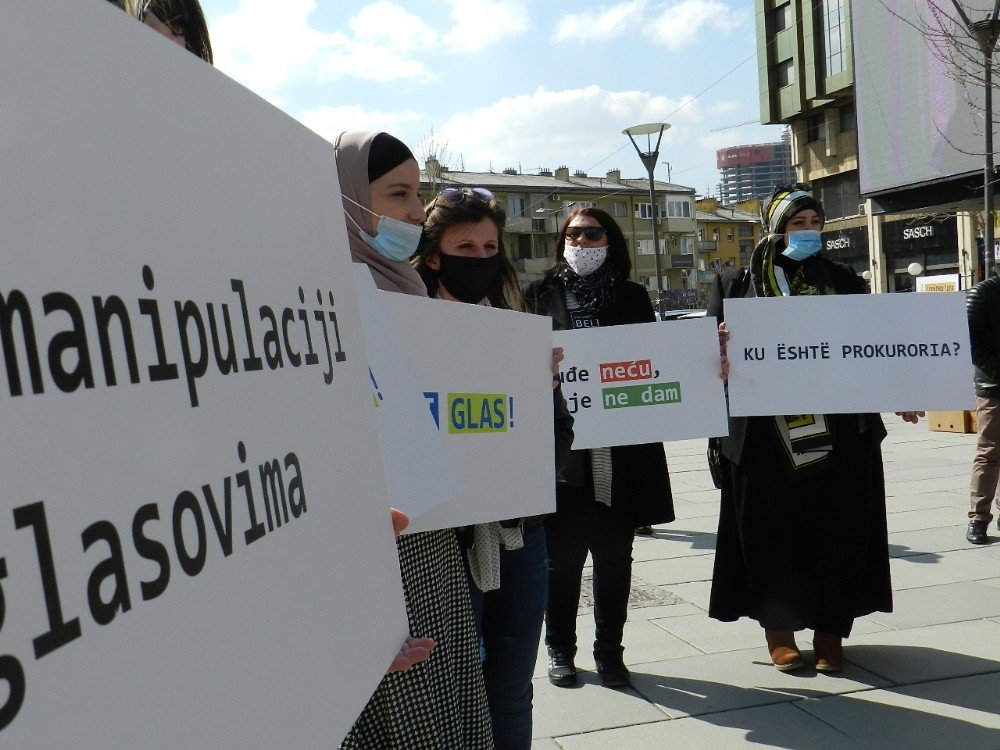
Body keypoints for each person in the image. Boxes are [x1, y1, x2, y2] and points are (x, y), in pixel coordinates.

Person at [707, 183, 921, 673]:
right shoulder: (737, 284)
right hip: (763, 436)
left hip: (842, 431)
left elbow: (875, 345)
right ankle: (778, 631)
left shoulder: (844, 278)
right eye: (795, 224)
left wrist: (907, 386)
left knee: (840, 531)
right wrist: (716, 351)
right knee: (769, 532)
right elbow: (702, 355)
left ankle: (830, 632)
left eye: (813, 223)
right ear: (774, 229)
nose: (806, 233)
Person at [334, 131, 493, 748]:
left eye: (417, 195)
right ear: (346, 199)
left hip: (432, 542)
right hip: (377, 548)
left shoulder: (407, 289)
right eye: (397, 194)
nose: (413, 213)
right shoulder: (325, 298)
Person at [413, 187, 573, 750]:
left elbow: (560, 431)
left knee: (510, 689)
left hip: (519, 535)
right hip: (440, 542)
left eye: (489, 248)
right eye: (465, 247)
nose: (480, 259)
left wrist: (541, 396)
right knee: (449, 692)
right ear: (433, 256)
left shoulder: (516, 331)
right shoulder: (402, 330)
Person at [523, 207, 674, 689]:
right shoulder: (536, 295)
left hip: (620, 454)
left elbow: (656, 361)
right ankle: (559, 651)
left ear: (610, 239)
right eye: (573, 233)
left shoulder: (631, 296)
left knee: (615, 559)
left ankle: (610, 652)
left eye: (592, 233)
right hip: (560, 451)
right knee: (560, 561)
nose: (582, 241)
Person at [965, 274, 1000, 544]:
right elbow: (970, 342)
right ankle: (978, 519)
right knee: (989, 452)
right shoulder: (983, 292)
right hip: (993, 386)